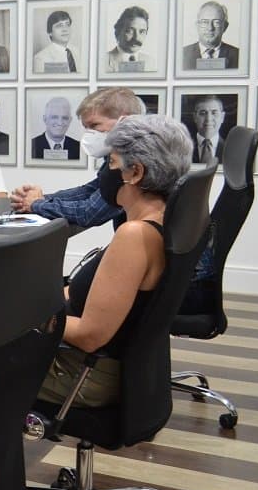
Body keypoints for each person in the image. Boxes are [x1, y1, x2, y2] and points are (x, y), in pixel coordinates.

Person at [37, 115, 192, 408]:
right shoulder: (167, 220)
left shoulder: (135, 236)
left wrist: (25, 317)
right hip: (108, 368)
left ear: (135, 173)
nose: (105, 174)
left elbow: (89, 335)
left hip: (82, 375)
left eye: (111, 163)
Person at [11, 87, 145, 226]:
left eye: (94, 125)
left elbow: (90, 213)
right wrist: (39, 199)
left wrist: (36, 204)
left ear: (125, 121)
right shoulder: (118, 153)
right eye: (86, 128)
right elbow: (91, 190)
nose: (89, 134)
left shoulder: (132, 160)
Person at [180, 1, 240, 71]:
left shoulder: (238, 55)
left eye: (216, 22)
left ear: (225, 26)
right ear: (197, 25)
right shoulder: (182, 54)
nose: (210, 28)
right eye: (205, 22)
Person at [32, 10, 82, 74]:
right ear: (50, 32)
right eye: (59, 26)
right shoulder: (40, 58)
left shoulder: (76, 51)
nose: (65, 29)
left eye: (67, 24)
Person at [105, 6, 152, 72]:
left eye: (142, 32)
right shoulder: (103, 62)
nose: (136, 38)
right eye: (130, 31)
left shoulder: (151, 63)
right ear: (118, 32)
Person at [186, 95, 229, 163]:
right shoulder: (184, 148)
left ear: (222, 117)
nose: (208, 119)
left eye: (214, 113)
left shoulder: (231, 150)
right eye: (203, 113)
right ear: (194, 117)